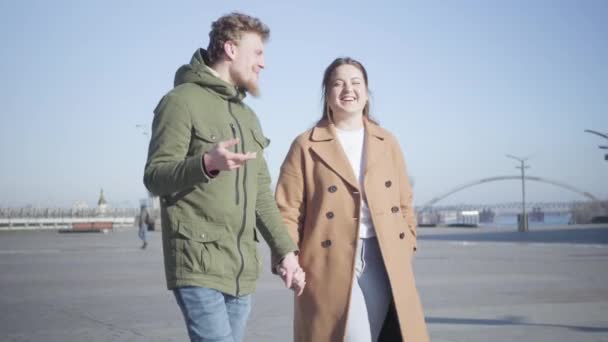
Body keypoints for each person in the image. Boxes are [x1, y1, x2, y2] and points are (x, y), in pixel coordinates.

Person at [143, 12, 304, 342]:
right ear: (231, 49)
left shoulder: (248, 118)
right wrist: (205, 164)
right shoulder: (180, 101)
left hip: (241, 269)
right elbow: (155, 177)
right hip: (197, 263)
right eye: (257, 52)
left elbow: (260, 194)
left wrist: (286, 252)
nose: (263, 63)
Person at [275, 57, 429, 342]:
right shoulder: (306, 145)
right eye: (338, 83)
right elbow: (286, 209)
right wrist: (288, 256)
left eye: (356, 82)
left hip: (385, 257)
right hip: (328, 260)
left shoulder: (387, 141)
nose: (348, 89)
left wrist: (407, 241)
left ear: (367, 93)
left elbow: (404, 200)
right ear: (327, 94)